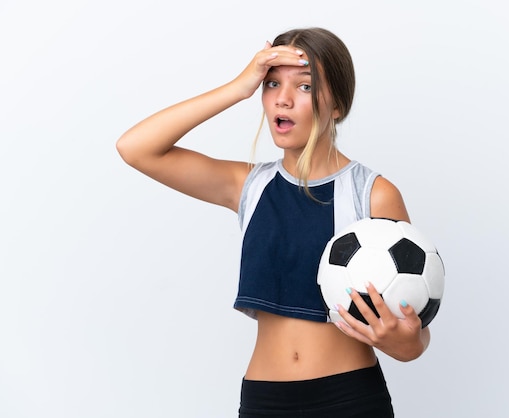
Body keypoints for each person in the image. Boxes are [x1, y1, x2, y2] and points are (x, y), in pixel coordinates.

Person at [117, 27, 430, 418]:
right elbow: (135, 148)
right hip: (264, 402)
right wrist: (238, 86)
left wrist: (401, 341)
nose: (281, 98)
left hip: (348, 399)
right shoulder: (247, 186)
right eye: (271, 83)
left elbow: (414, 340)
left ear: (337, 106)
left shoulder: (374, 194)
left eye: (304, 86)